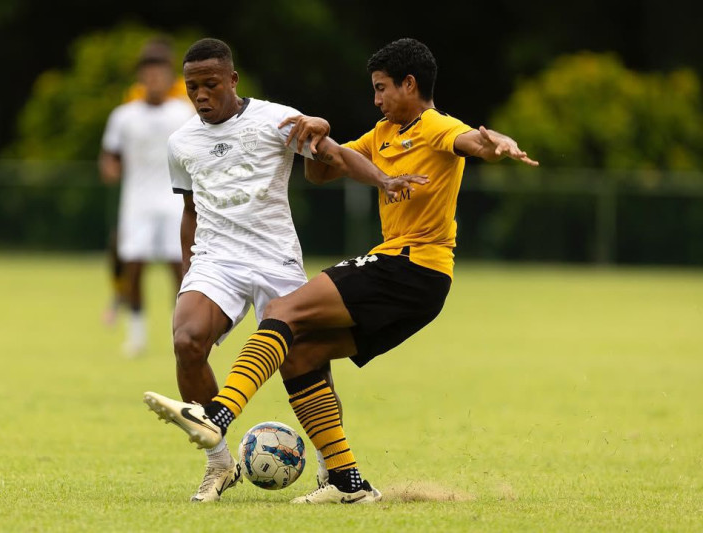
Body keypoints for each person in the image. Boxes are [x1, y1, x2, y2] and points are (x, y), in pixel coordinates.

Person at [143, 38, 539, 504]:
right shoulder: (382, 133)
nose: (375, 99)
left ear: (409, 85)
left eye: (381, 88)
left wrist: (495, 146)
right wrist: (316, 133)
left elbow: (469, 141)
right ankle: (347, 483)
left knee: (284, 312)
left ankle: (219, 417)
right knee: (300, 354)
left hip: (411, 264)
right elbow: (322, 169)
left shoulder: (434, 125)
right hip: (413, 280)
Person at [99, 38, 195, 356]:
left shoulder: (184, 112)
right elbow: (109, 155)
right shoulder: (123, 116)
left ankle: (178, 329)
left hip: (174, 200)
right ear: (140, 77)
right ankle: (136, 335)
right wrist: (110, 168)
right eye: (148, 72)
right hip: (136, 202)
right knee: (134, 267)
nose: (154, 78)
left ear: (170, 76)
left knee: (178, 268)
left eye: (160, 72)